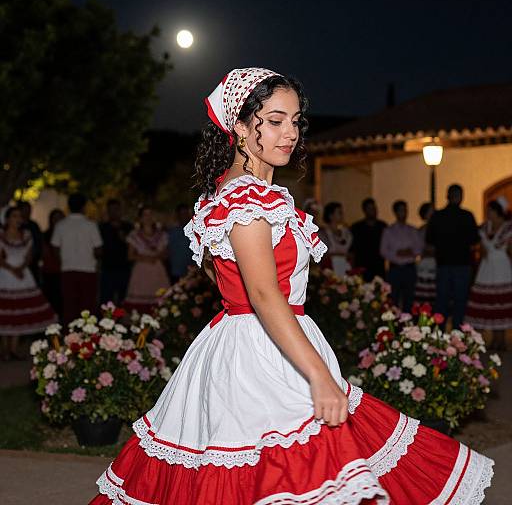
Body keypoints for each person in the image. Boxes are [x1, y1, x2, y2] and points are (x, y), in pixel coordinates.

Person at [91, 68, 493, 505]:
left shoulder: (228, 194)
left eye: (296, 121)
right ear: (241, 127)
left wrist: (245, 303)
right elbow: (263, 294)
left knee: (286, 479)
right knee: (291, 476)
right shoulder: (247, 197)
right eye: (275, 120)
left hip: (247, 341)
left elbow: (219, 271)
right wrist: (318, 375)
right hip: (263, 355)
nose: (291, 133)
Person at [0, 206, 57, 359]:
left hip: (23, 274)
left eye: (19, 216)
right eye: (14, 216)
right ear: (7, 219)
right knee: (6, 311)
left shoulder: (26, 235)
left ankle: (13, 349)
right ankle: (5, 349)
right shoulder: (1, 235)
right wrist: (13, 269)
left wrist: (21, 268)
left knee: (19, 311)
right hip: (6, 274)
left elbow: (29, 256)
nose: (18, 219)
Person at [426, 184, 479, 329]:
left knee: (442, 301)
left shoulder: (438, 216)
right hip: (461, 264)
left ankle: (440, 334)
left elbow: (429, 241)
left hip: (445, 264)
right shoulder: (467, 216)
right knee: (459, 301)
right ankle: (456, 334)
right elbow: (475, 240)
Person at [465, 198, 512, 350]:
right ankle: (492, 340)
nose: (488, 213)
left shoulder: (508, 228)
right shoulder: (484, 227)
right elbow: (478, 246)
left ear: (498, 211)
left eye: (490, 210)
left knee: (500, 303)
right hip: (486, 268)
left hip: (502, 267)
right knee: (488, 303)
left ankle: (501, 339)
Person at [51, 193, 103, 325]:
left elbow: (55, 248)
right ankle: (88, 337)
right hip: (88, 270)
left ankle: (70, 338)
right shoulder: (91, 225)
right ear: (84, 207)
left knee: (69, 306)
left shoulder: (60, 225)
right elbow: (98, 249)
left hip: (67, 270)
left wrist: (66, 258)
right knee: (88, 306)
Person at [123, 206, 169, 313]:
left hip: (157, 270)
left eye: (150, 214)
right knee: (139, 302)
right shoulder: (134, 235)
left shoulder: (162, 235)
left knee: (160, 300)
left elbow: (166, 254)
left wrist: (157, 256)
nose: (148, 217)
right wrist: (146, 258)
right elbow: (130, 256)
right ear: (140, 218)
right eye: (145, 215)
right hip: (141, 271)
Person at [380, 200, 422, 312]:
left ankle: (408, 325)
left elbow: (419, 248)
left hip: (409, 268)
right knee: (393, 299)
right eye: (401, 210)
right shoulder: (389, 231)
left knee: (409, 299)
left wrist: (409, 253)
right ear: (395, 212)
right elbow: (383, 251)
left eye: (405, 210)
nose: (404, 213)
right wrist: (397, 254)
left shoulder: (413, 230)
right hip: (395, 268)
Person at [99, 199, 133, 305]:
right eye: (111, 210)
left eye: (116, 209)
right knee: (106, 300)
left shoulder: (128, 227)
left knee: (124, 299)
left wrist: (124, 238)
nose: (114, 212)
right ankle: (107, 321)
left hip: (124, 268)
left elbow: (135, 246)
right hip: (107, 269)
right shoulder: (101, 227)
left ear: (120, 210)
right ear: (108, 211)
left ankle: (122, 320)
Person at [350, 198, 387, 281]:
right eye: (370, 209)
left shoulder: (383, 226)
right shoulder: (356, 227)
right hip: (362, 267)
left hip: (379, 267)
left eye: (374, 208)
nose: (373, 211)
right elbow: (352, 250)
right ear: (364, 210)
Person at [41, 208, 65, 318]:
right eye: (55, 218)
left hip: (64, 271)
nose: (58, 221)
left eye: (60, 218)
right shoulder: (46, 235)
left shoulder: (67, 234)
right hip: (50, 271)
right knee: (50, 298)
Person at [318, 201, 352, 276]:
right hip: (330, 270)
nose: (342, 215)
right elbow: (322, 255)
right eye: (339, 212)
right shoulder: (323, 234)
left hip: (344, 269)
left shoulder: (346, 233)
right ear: (331, 215)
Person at [415, 202, 437, 305]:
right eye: (430, 211)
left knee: (435, 293)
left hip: (436, 263)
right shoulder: (422, 230)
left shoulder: (439, 229)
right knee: (423, 294)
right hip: (425, 263)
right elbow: (419, 248)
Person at [17, 200, 43, 284]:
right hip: (18, 261)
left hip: (33, 262)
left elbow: (38, 242)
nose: (27, 212)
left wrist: (37, 256)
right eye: (25, 210)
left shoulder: (34, 225)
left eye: (29, 210)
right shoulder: (16, 226)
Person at [167, 203, 193, 283]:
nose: (184, 216)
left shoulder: (196, 231)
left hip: (193, 272)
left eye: (186, 213)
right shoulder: (172, 232)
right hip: (176, 272)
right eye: (181, 214)